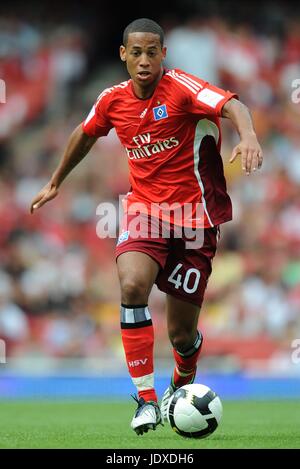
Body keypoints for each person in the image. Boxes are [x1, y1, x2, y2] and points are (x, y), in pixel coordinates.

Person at [30, 18, 263, 435]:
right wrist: (55, 181)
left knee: (181, 336)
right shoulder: (111, 100)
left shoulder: (182, 88)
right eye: (135, 52)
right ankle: (146, 399)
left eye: (151, 52)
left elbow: (233, 105)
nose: (143, 60)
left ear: (163, 55)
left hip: (196, 221)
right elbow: (85, 134)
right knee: (132, 286)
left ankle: (181, 380)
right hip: (145, 213)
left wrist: (247, 136)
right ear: (122, 54)